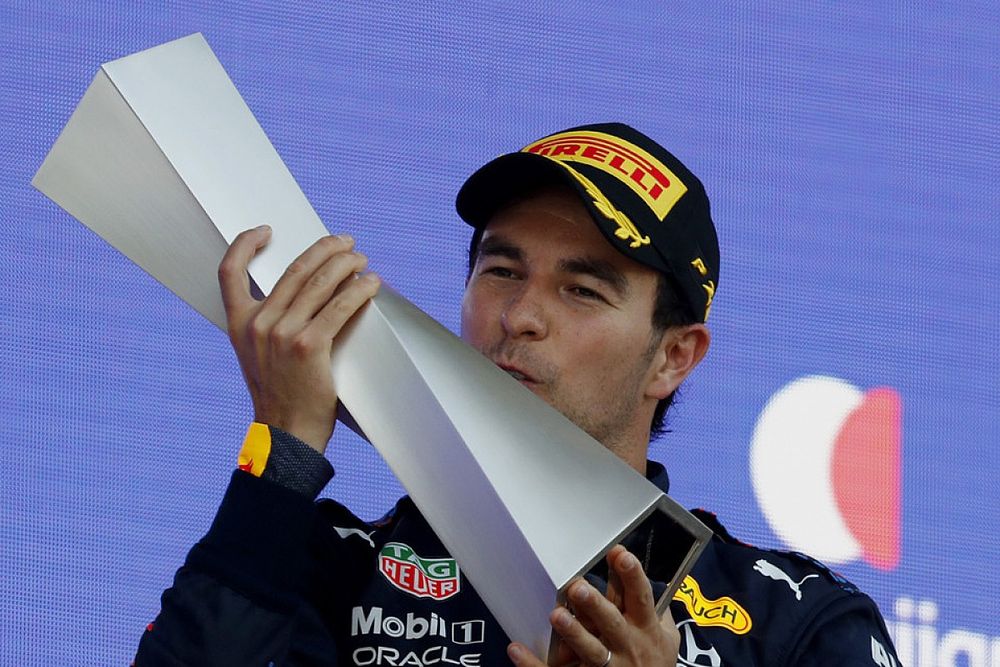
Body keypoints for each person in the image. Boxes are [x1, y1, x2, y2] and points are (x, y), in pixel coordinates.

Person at [134, 123, 901, 666]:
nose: (519, 315)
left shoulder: (795, 619)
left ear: (673, 356)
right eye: (501, 270)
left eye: (582, 289)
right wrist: (285, 447)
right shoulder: (331, 565)